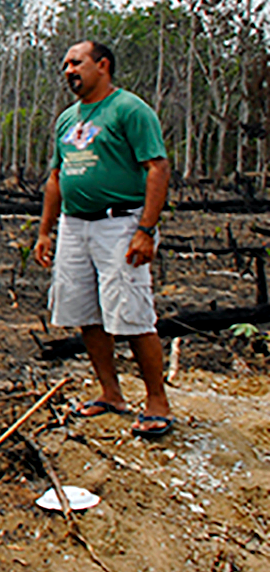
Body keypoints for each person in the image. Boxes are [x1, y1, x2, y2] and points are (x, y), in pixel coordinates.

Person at [33, 40, 173, 437]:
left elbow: (157, 167)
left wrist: (145, 231)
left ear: (103, 65)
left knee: (132, 313)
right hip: (75, 226)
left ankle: (157, 402)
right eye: (65, 65)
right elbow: (56, 178)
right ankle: (111, 393)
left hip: (120, 224)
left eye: (76, 63)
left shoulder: (129, 109)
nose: (68, 71)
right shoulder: (66, 120)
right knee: (85, 314)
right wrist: (45, 231)